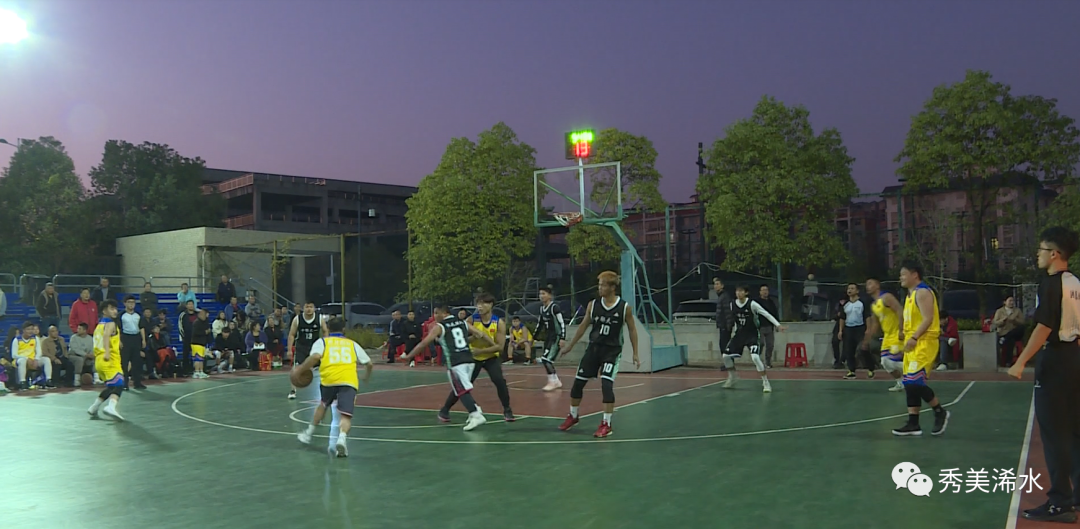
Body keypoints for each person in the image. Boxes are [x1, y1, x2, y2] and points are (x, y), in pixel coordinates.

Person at [1008, 227, 1080, 523]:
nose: (1038, 254)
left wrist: (1021, 361)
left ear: (1054, 254)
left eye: (1041, 249)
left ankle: (1060, 502)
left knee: (1054, 433)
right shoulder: (1075, 282)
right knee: (1074, 431)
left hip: (1056, 361)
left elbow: (1044, 327)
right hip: (1074, 357)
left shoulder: (1050, 284)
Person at [559, 271, 640, 438]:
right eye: (599, 285)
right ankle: (573, 415)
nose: (600, 288)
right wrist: (570, 345)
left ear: (612, 287)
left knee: (606, 385)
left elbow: (632, 330)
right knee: (577, 384)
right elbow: (583, 326)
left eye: (603, 285)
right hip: (594, 349)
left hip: (611, 351)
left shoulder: (624, 307)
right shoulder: (593, 305)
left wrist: (635, 353)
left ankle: (606, 423)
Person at [402, 304, 496, 431]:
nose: (434, 316)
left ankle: (475, 414)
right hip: (469, 360)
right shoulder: (463, 322)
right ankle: (467, 408)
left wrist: (409, 356)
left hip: (456, 362)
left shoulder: (440, 327)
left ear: (444, 313)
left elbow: (424, 343)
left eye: (436, 313)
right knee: (461, 388)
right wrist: (495, 346)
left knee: (461, 390)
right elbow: (480, 334)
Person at [296, 318, 373, 457]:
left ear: (328, 329)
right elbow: (369, 363)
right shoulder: (352, 344)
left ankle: (308, 433)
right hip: (348, 380)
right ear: (344, 329)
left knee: (323, 405)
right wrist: (366, 376)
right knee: (346, 415)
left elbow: (315, 357)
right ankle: (342, 438)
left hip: (329, 380)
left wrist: (301, 369)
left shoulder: (322, 342)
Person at [891, 262, 949, 437]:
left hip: (924, 342)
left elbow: (928, 318)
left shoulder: (923, 292)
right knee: (909, 384)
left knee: (914, 381)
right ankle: (913, 423)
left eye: (903, 274)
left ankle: (939, 411)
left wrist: (915, 337)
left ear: (914, 274)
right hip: (913, 343)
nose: (901, 277)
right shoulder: (910, 295)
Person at [438, 293, 515, 422]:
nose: (480, 306)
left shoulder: (498, 323)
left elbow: (500, 347)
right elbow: (461, 340)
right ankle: (445, 410)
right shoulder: (471, 320)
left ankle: (507, 410)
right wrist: (473, 339)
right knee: (463, 385)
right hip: (473, 358)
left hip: (490, 357)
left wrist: (481, 350)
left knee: (499, 381)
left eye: (483, 303)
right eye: (478, 303)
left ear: (491, 305)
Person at [721, 285, 785, 393]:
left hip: (752, 334)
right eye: (737, 291)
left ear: (746, 293)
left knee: (755, 357)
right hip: (739, 335)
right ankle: (733, 376)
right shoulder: (732, 304)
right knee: (725, 356)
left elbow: (766, 314)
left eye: (741, 291)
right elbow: (735, 320)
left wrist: (777, 325)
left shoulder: (752, 304)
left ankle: (765, 382)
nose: (738, 293)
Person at [864, 278, 905, 392]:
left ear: (877, 285)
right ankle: (900, 382)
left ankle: (915, 372)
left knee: (893, 361)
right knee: (885, 362)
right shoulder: (873, 305)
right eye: (866, 284)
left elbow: (900, 310)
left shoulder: (886, 297)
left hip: (896, 333)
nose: (867, 286)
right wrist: (868, 339)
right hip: (887, 336)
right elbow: (875, 324)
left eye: (870, 283)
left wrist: (901, 329)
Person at [88, 300, 124, 421]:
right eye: (111, 308)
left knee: (111, 387)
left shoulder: (99, 325)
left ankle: (94, 407)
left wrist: (118, 342)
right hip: (109, 359)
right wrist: (108, 352)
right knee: (119, 384)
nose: (115, 311)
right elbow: (106, 336)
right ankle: (111, 407)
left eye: (115, 309)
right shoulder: (110, 323)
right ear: (104, 311)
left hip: (99, 360)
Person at [287, 301, 327, 399]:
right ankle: (293, 390)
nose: (309, 309)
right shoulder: (297, 319)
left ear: (314, 308)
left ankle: (326, 390)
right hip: (301, 346)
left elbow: (325, 331)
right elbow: (291, 334)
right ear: (303, 308)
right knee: (296, 368)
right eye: (307, 307)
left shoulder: (319, 318)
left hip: (315, 347)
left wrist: (325, 345)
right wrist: (289, 349)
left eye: (311, 307)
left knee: (324, 368)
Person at [535, 285, 567, 391]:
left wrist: (562, 337)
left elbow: (562, 323)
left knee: (546, 359)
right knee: (545, 360)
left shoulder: (554, 308)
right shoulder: (542, 309)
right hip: (548, 337)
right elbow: (540, 324)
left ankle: (552, 382)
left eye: (544, 294)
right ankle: (555, 380)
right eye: (540, 294)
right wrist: (534, 337)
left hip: (556, 337)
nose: (541, 296)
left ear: (550, 295)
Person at [840, 283, 874, 379]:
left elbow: (867, 316)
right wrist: (840, 330)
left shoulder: (862, 303)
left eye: (852, 288)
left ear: (857, 291)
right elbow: (842, 318)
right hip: (849, 329)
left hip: (860, 328)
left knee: (863, 349)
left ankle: (870, 368)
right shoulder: (845, 304)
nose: (849, 290)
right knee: (849, 350)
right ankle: (851, 371)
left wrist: (868, 329)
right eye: (848, 288)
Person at [10, 320, 53, 390]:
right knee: (22, 361)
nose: (30, 331)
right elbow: (14, 355)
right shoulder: (16, 340)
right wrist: (26, 358)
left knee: (46, 359)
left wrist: (36, 359)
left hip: (33, 360)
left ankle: (48, 380)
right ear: (23, 330)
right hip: (20, 360)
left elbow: (39, 351)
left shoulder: (35, 338)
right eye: (28, 329)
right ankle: (22, 382)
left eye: (32, 329)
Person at [119, 296, 147, 390]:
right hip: (125, 338)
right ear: (125, 303)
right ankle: (124, 383)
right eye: (129, 302)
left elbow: (141, 327)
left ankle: (137, 383)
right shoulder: (121, 315)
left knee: (137, 362)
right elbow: (118, 329)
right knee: (124, 362)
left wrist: (143, 340)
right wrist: (119, 341)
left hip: (136, 338)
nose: (131, 304)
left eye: (133, 302)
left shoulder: (138, 315)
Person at [994, 296, 1027, 367]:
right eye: (1010, 301)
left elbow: (1022, 322)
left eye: (1013, 301)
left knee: (1021, 328)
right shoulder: (999, 311)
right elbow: (996, 323)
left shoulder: (1017, 310)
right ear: (1004, 302)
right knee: (1010, 341)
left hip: (1015, 332)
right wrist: (1003, 320)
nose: (1012, 303)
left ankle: (1005, 338)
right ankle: (1008, 362)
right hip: (1003, 332)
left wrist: (1015, 320)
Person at [190, 309, 213, 378]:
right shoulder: (196, 323)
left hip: (202, 343)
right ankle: (196, 372)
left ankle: (201, 371)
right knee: (197, 359)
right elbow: (195, 333)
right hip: (196, 343)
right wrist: (205, 332)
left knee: (201, 359)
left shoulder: (205, 322)